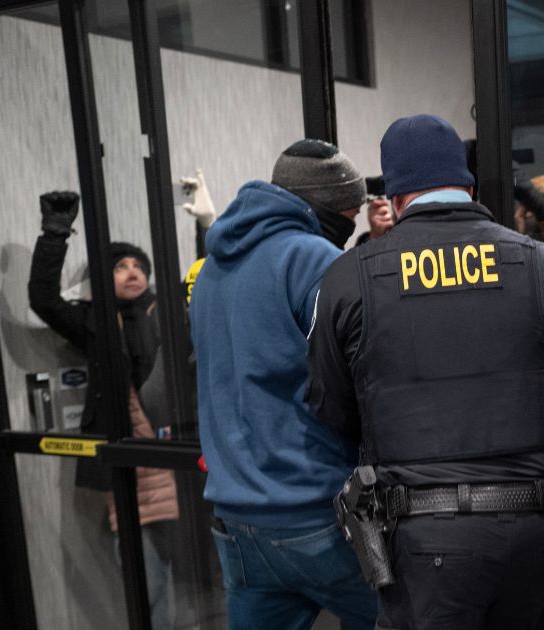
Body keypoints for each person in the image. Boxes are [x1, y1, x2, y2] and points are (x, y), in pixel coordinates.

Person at [307, 113, 544, 630]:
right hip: (537, 528)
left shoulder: (349, 280)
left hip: (420, 538)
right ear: (469, 185)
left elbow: (332, 409)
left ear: (393, 198)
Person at [190, 139, 376, 630]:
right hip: (312, 513)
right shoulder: (312, 258)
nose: (352, 221)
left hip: (236, 520)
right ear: (325, 205)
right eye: (350, 210)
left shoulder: (212, 269)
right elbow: (351, 377)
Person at [28, 191, 182, 629]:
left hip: (184, 466)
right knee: (147, 592)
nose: (132, 272)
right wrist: (55, 233)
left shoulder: (167, 313)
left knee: (204, 584)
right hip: (134, 476)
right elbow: (44, 300)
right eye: (119, 266)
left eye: (138, 266)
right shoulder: (98, 322)